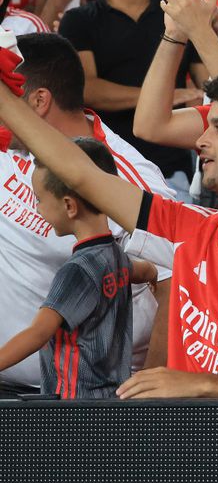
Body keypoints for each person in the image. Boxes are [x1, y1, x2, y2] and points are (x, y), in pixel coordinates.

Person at [0, 55, 218, 398]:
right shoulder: (190, 227)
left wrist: (204, 384)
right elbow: (80, 174)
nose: (201, 141)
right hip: (182, 448)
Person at [0, 33, 177, 395]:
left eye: (7, 98)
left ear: (38, 101)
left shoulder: (130, 180)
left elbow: (174, 282)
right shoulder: (10, 145)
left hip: (88, 399)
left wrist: (150, 401)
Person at [57, 0, 207, 191]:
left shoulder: (177, 12)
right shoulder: (79, 20)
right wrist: (166, 97)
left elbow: (207, 84)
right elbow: (86, 89)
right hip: (106, 171)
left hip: (173, 172)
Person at [0, 138, 156, 399]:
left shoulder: (77, 271)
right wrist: (151, 274)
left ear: (69, 206)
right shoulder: (115, 255)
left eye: (39, 200)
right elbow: (145, 271)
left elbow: (38, 332)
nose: (38, 209)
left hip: (73, 406)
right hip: (111, 399)